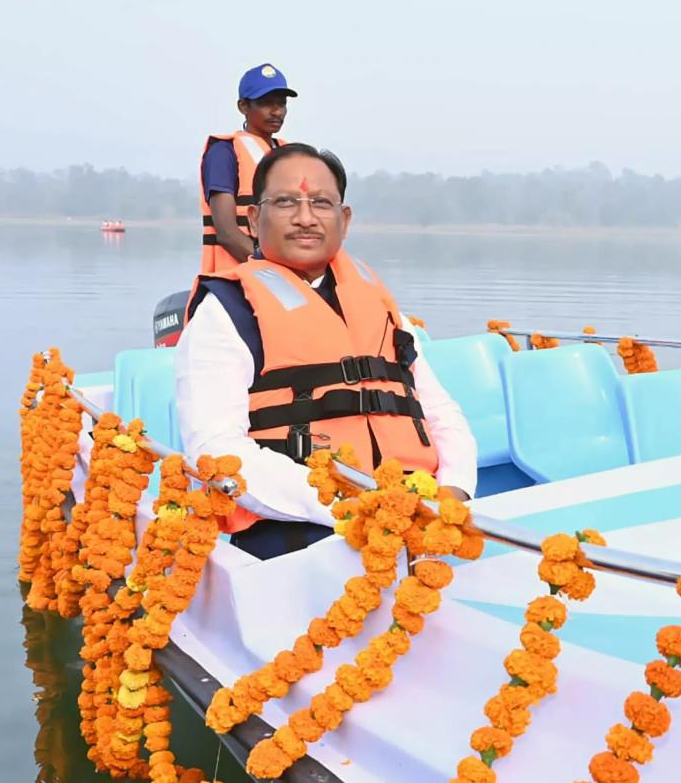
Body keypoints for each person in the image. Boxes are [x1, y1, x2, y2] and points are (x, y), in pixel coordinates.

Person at [175, 143, 477, 560]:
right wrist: (351, 506)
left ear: (344, 219)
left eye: (320, 203)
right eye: (285, 202)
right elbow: (216, 447)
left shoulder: (380, 305)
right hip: (298, 533)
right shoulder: (225, 313)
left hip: (416, 515)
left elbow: (439, 411)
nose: (305, 218)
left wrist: (453, 492)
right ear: (254, 219)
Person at [199, 63, 297, 273]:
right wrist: (275, 270)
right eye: (266, 103)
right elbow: (226, 233)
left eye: (281, 103)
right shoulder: (224, 152)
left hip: (280, 275)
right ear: (243, 106)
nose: (276, 111)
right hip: (233, 280)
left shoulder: (289, 153)